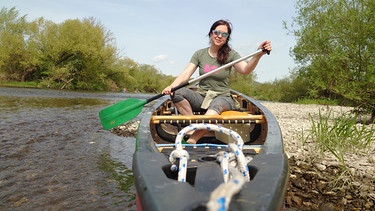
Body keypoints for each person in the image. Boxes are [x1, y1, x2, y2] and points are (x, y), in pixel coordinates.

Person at [162, 19, 272, 144]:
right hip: (202, 97)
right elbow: (186, 74)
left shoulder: (231, 55)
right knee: (176, 92)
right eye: (216, 32)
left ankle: (192, 140)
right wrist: (172, 86)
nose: (219, 36)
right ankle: (193, 127)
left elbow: (245, 69)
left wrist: (259, 54)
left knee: (216, 105)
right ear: (210, 34)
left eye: (224, 34)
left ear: (227, 38)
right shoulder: (200, 54)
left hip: (222, 97)